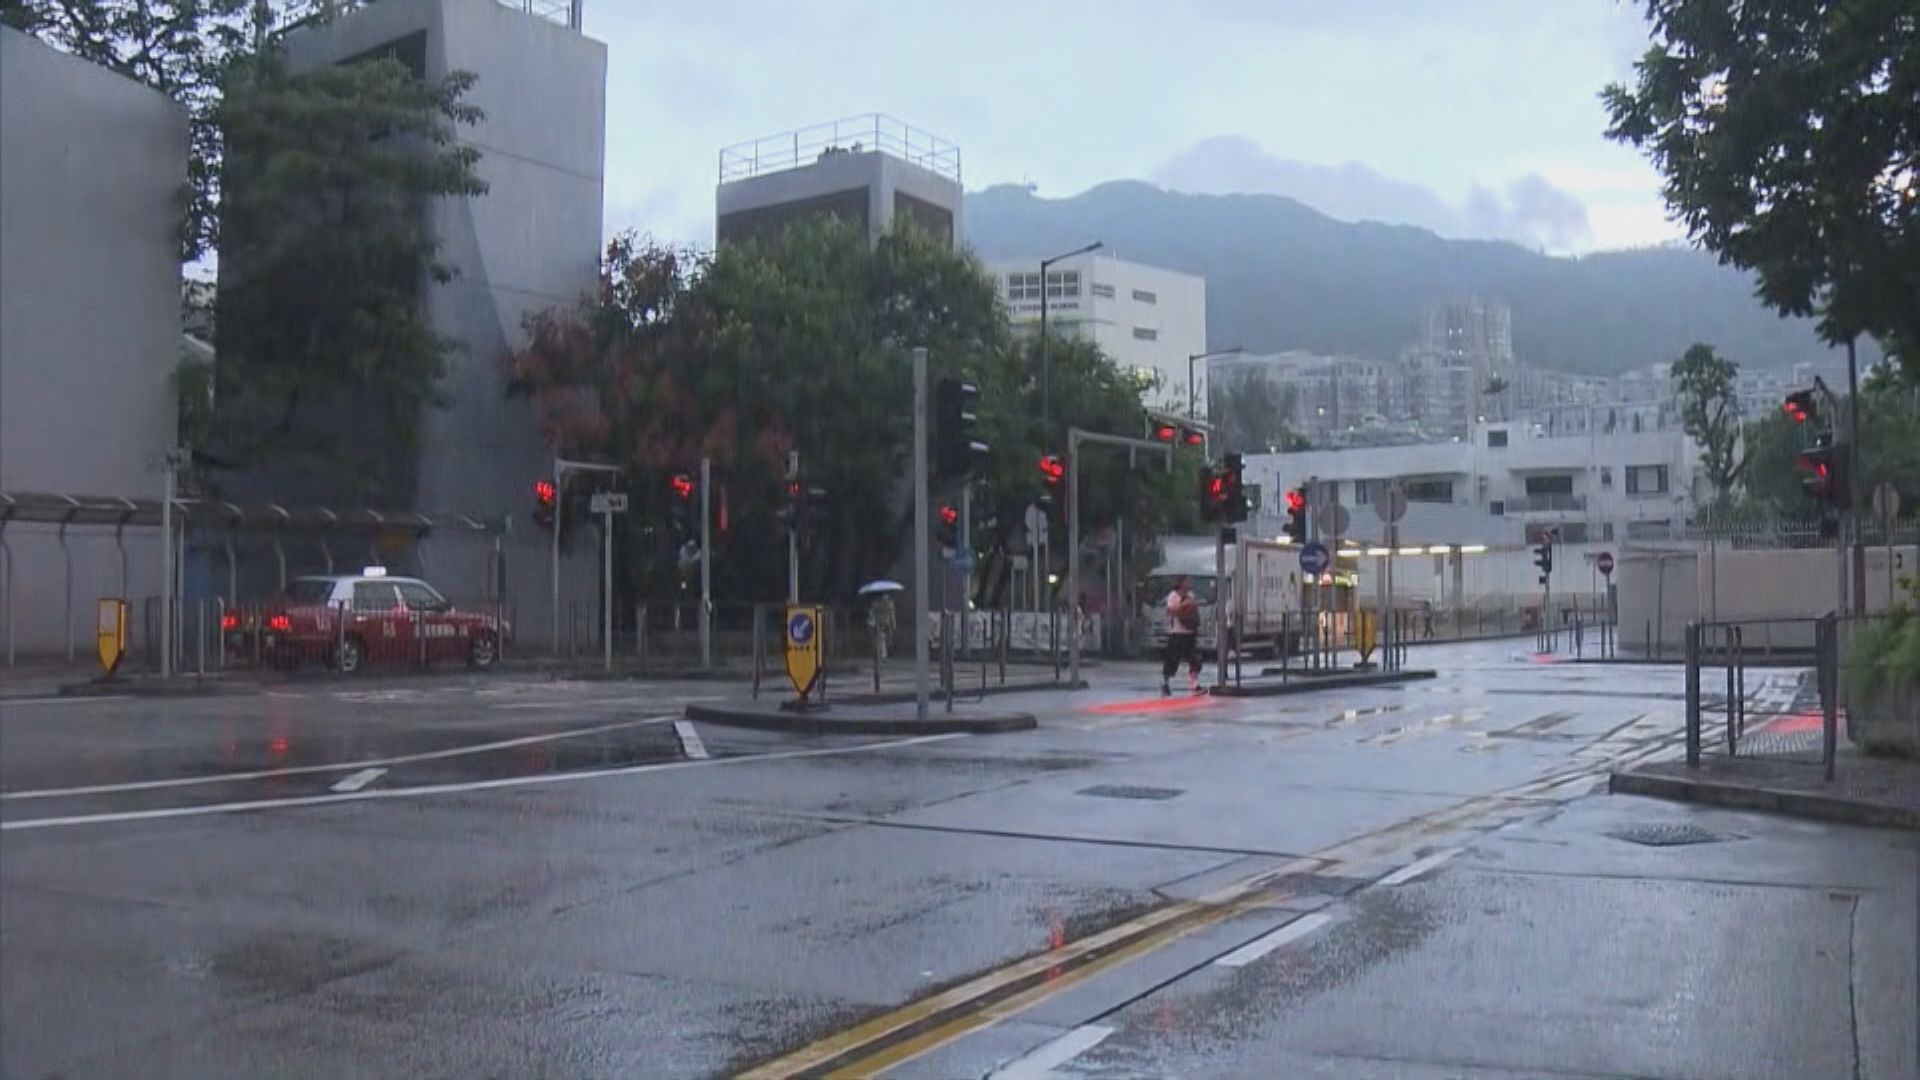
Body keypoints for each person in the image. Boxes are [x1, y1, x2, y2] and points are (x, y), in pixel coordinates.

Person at [1162, 576, 1202, 696]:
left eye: (1188, 582)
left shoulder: (1190, 595)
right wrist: (1183, 606)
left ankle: (1194, 684)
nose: (1188, 584)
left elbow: (1194, 611)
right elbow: (1169, 612)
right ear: (1180, 584)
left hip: (1189, 632)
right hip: (1177, 633)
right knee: (1171, 660)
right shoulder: (1173, 596)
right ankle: (1166, 684)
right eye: (1185, 582)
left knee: (1194, 659)